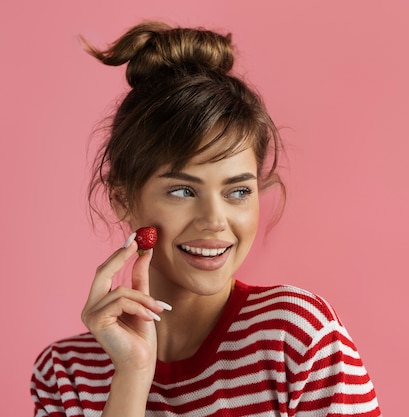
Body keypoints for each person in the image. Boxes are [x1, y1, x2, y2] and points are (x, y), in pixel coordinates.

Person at [30, 21, 381, 417]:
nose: (215, 220)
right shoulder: (66, 374)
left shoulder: (298, 337)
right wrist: (132, 373)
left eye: (238, 192)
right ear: (122, 198)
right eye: (183, 191)